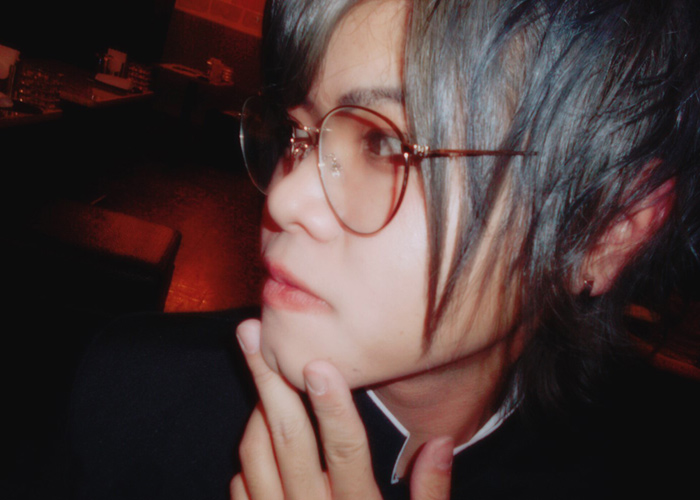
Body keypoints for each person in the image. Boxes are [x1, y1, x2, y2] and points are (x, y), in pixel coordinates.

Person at [54, 0, 699, 499]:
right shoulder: (135, 397)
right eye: (300, 133)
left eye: (384, 145)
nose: (285, 198)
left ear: (607, 231)